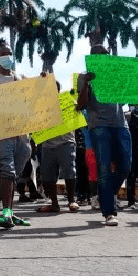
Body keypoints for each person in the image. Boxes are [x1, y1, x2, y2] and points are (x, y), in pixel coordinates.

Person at [76, 45, 133, 226]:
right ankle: (109, 211)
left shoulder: (114, 75)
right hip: (99, 125)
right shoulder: (83, 77)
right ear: (92, 58)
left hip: (120, 124)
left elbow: (123, 99)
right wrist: (85, 84)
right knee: (103, 167)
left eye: (105, 55)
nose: (103, 58)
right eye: (99, 55)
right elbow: (82, 104)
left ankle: (105, 193)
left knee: (125, 165)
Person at [0, 39, 31, 228]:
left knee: (13, 175)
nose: (7, 57)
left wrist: (45, 80)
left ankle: (9, 211)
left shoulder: (21, 78)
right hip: (2, 132)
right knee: (7, 172)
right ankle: (6, 213)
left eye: (9, 53)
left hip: (22, 134)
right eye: (3, 54)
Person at [36, 82, 78, 213]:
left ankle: (72, 200)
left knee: (69, 171)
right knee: (47, 176)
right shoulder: (40, 105)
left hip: (66, 142)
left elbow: (77, 114)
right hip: (47, 145)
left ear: (58, 89)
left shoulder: (67, 101)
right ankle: (54, 204)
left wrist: (75, 107)